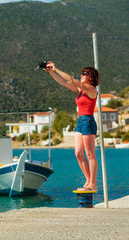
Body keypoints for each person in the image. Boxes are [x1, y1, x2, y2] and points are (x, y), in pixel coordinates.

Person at [44, 61, 99, 191]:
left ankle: (93, 183)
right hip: (80, 121)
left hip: (88, 121)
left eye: (84, 73)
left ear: (91, 77)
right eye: (81, 73)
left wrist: (56, 68)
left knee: (90, 154)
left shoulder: (91, 90)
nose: (81, 75)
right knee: (78, 153)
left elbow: (71, 80)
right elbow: (64, 83)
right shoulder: (81, 90)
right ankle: (88, 179)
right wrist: (51, 72)